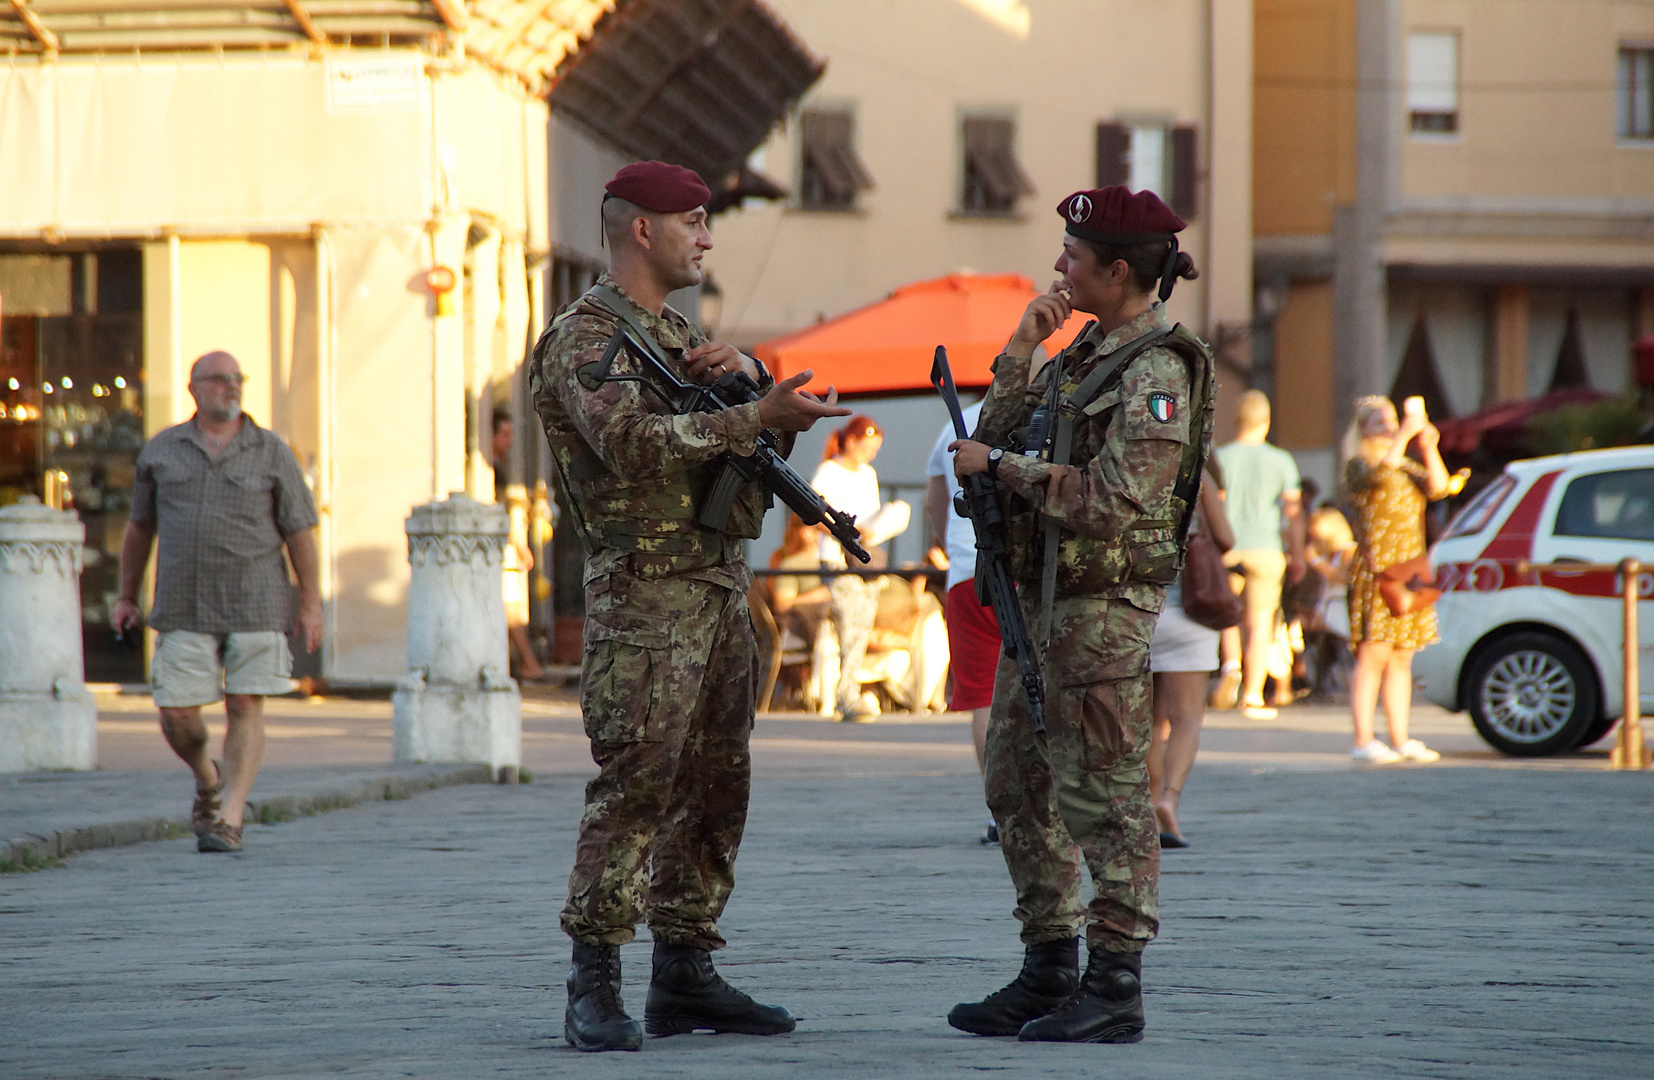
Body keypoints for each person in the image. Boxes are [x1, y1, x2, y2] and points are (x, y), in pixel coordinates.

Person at [528, 160, 847, 1052]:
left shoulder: (672, 335)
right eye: (695, 222)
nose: (707, 237)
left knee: (718, 783)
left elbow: (731, 430)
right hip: (645, 593)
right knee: (637, 783)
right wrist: (754, 417)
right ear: (642, 230)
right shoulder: (588, 339)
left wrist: (754, 380)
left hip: (714, 585)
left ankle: (685, 970)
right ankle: (594, 978)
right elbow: (632, 444)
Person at [945, 185, 1212, 1045]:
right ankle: (1050, 967)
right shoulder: (1081, 352)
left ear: (1121, 270)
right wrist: (1023, 350)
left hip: (1099, 614)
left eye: (1074, 256)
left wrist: (1008, 471)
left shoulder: (1158, 369)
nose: (1059, 267)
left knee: (1105, 799)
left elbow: (1114, 500)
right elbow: (994, 435)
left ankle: (1115, 983)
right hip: (1038, 607)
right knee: (1016, 788)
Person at [109, 350, 322, 855]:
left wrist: (309, 603)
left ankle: (230, 817)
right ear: (195, 389)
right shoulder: (162, 451)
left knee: (246, 704)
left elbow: (301, 533)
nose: (232, 387)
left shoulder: (271, 451)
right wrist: (125, 595)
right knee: (176, 713)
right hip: (183, 604)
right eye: (220, 379)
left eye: (237, 379)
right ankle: (208, 778)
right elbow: (140, 528)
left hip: (257, 601)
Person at [1343, 395, 1449, 765]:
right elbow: (1378, 476)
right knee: (1374, 654)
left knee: (1403, 656)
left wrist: (1428, 446)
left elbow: (1440, 487)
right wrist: (1403, 435)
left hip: (1411, 568)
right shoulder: (1359, 465)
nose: (1389, 427)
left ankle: (1401, 738)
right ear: (1363, 431)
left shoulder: (1405, 464)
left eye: (1393, 420)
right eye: (1380, 423)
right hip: (1379, 570)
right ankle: (1363, 739)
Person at [925, 398, 1002, 843]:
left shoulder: (959, 420)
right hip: (1021, 572)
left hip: (967, 574)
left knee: (984, 696)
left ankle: (999, 808)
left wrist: (954, 548)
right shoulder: (1047, 411)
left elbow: (935, 499)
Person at [1146, 463, 1234, 849]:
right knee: (1186, 721)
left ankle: (1147, 804)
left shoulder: (1133, 462)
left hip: (1142, 612)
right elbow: (1227, 539)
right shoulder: (1196, 471)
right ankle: (1170, 799)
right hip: (1192, 614)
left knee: (1146, 723)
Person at [1213, 390, 1306, 720]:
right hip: (1266, 549)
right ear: (1266, 422)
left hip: (1227, 548)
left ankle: (1231, 664)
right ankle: (1252, 694)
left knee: (1227, 616)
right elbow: (1293, 514)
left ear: (1237, 420)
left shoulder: (1220, 457)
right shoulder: (1281, 461)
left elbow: (1215, 504)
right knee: (1260, 623)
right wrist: (1298, 555)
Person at [810, 415, 908, 722]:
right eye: (868, 447)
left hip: (864, 554)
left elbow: (873, 514)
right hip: (838, 557)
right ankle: (846, 695)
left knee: (863, 623)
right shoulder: (829, 471)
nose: (872, 454)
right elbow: (814, 513)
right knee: (851, 623)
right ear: (851, 442)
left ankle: (848, 692)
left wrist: (876, 527)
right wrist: (843, 531)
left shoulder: (868, 474)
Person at [491, 406, 547, 681]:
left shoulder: (497, 467)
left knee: (509, 605)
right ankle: (528, 662)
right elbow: (497, 512)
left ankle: (525, 662)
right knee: (508, 606)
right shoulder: (485, 470)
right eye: (505, 433)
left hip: (502, 547)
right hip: (499, 547)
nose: (510, 440)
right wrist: (517, 544)